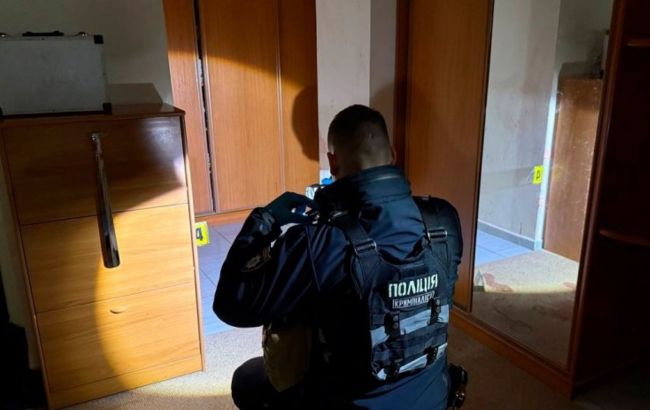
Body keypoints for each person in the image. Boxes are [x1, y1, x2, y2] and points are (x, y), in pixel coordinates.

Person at [213, 104, 463, 409]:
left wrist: (265, 221)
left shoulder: (319, 242)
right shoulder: (444, 222)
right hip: (433, 399)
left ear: (333, 162)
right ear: (392, 155)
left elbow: (231, 305)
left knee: (246, 380)